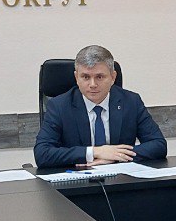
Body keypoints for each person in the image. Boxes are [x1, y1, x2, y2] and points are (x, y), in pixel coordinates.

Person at [33, 44, 167, 168]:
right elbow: (42, 154)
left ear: (113, 77)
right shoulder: (59, 106)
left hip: (121, 179)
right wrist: (95, 152)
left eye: (99, 77)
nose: (92, 84)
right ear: (76, 77)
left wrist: (115, 157)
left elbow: (158, 144)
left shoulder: (131, 101)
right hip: (77, 179)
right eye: (85, 77)